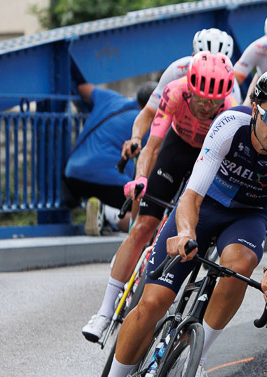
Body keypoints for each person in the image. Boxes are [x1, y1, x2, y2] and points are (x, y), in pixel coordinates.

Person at [78, 67, 267, 377]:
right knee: (153, 301)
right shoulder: (229, 124)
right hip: (203, 205)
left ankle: (197, 358)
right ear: (255, 109)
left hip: (248, 217)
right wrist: (184, 232)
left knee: (242, 264)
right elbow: (191, 194)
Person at [81, 52, 239, 343]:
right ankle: (104, 312)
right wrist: (141, 177)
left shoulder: (230, 110)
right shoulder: (175, 91)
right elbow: (152, 146)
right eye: (200, 100)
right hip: (176, 147)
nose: (205, 108)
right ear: (190, 89)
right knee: (143, 226)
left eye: (212, 103)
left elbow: (226, 165)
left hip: (207, 156)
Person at [126, 28, 239, 165]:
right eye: (203, 61)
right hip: (179, 130)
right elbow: (150, 111)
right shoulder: (176, 70)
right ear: (193, 57)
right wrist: (136, 138)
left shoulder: (233, 90)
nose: (210, 70)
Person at [64, 81, 155, 236]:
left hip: (72, 175)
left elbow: (81, 87)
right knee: (145, 213)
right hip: (108, 180)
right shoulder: (147, 123)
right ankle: (107, 213)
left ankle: (100, 211)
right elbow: (152, 158)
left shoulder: (111, 98)